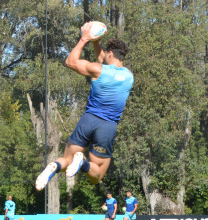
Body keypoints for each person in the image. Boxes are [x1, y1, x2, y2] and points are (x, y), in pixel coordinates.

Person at [35, 22, 134, 191]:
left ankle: (54, 166)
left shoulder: (98, 70)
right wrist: (96, 42)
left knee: (66, 159)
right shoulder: (128, 76)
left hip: (88, 120)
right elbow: (105, 60)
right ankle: (83, 164)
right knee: (97, 176)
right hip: (107, 126)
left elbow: (70, 62)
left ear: (110, 53)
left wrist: (85, 39)